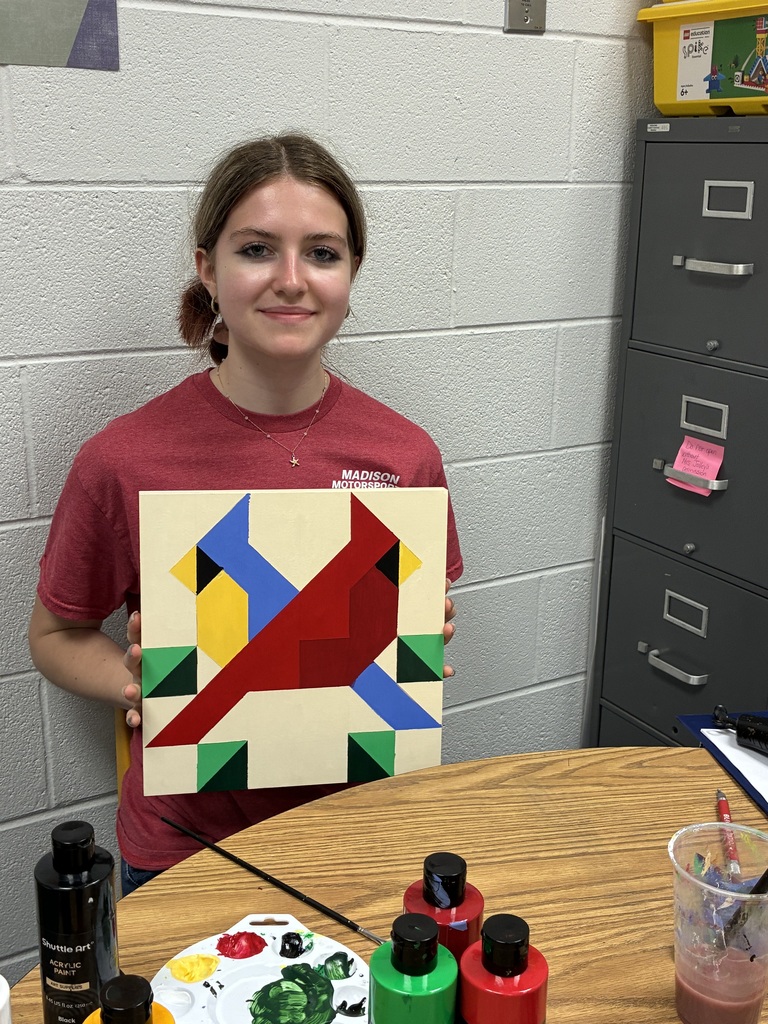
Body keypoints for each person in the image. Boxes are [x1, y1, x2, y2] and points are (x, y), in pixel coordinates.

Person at [28, 133, 462, 895]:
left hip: (358, 830)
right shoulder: (123, 458)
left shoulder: (407, 455)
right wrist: (144, 681)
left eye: (323, 254)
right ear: (208, 268)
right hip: (187, 850)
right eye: (258, 248)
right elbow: (54, 637)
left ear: (352, 273)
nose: (291, 280)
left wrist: (410, 649)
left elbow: (416, 627)